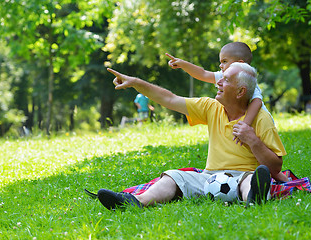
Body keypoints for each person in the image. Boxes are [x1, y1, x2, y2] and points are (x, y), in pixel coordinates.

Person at [96, 62, 287, 210]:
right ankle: (135, 201)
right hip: (208, 178)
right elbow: (169, 99)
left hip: (243, 176)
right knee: (173, 176)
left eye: (226, 79)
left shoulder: (262, 119)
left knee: (249, 181)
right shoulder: (211, 107)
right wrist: (136, 83)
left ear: (240, 92)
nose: (218, 82)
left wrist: (253, 141)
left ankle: (254, 197)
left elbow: (276, 166)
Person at [166, 42, 288, 182]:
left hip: (255, 122)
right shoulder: (224, 76)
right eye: (220, 62)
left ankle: (284, 180)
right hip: (243, 123)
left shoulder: (245, 80)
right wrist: (183, 64)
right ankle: (277, 179)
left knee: (263, 157)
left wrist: (245, 125)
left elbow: (257, 102)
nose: (220, 65)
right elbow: (203, 73)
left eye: (224, 61)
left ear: (239, 63)